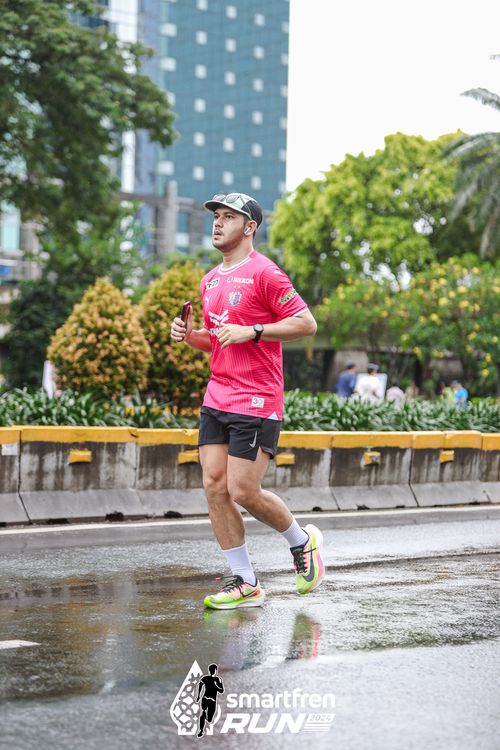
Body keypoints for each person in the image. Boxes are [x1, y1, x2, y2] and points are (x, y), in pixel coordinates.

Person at [170, 192, 325, 610]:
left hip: (256, 398)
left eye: (228, 217)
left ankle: (301, 541)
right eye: (216, 217)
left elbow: (306, 323)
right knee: (213, 486)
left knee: (242, 489)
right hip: (217, 395)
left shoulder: (266, 273)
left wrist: (254, 330)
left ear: (250, 227)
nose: (218, 223)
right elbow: (219, 340)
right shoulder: (210, 281)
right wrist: (190, 336)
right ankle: (245, 581)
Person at [196, 663, 224, 737]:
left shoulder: (218, 679)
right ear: (210, 671)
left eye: (214, 670)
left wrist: (216, 686)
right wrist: (198, 696)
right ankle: (201, 730)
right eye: (212, 670)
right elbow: (200, 685)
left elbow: (221, 690)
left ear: (215, 671)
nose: (213, 671)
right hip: (205, 698)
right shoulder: (205, 678)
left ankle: (206, 717)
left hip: (212, 701)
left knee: (209, 719)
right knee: (203, 712)